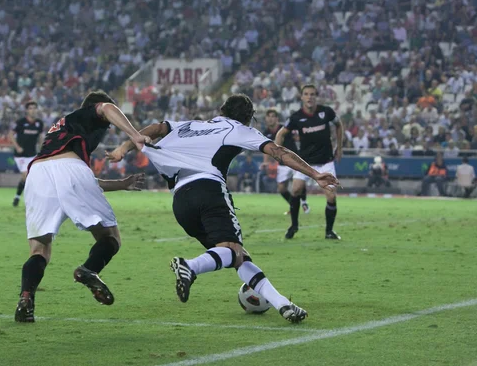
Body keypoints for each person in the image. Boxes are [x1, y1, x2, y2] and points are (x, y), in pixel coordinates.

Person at [108, 94, 339, 323]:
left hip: (180, 200)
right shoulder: (239, 129)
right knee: (231, 250)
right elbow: (279, 152)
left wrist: (124, 147)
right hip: (208, 190)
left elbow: (157, 129)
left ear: (221, 109)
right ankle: (190, 266)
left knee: (238, 256)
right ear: (249, 118)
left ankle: (283, 305)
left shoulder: (191, 125)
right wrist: (315, 174)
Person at [14, 90, 148, 323]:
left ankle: (26, 298)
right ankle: (89, 269)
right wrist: (135, 135)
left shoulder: (62, 129)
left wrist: (121, 184)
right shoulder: (89, 113)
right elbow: (106, 108)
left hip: (37, 174)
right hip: (67, 170)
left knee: (39, 249)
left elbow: (75, 180)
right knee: (110, 237)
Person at [276, 84, 343, 240]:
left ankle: (329, 231)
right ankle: (293, 225)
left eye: (312, 94)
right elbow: (281, 134)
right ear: (302, 97)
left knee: (331, 197)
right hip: (305, 163)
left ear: (316, 96)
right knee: (296, 190)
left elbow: (339, 125)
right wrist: (277, 153)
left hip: (326, 161)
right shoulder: (296, 117)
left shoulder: (326, 112)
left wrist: (339, 147)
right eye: (306, 94)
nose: (309, 97)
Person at [263, 109, 310, 215]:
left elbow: (297, 136)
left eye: (272, 116)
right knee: (281, 189)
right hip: (282, 163)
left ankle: (304, 202)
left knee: (298, 183)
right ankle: (293, 206)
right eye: (268, 116)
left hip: (294, 160)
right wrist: (265, 162)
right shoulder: (266, 132)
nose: (270, 118)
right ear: (266, 119)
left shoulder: (284, 129)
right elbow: (265, 149)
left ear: (277, 119)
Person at [10, 101, 45, 207]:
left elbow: (41, 137)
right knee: (26, 176)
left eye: (34, 108)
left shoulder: (39, 123)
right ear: (27, 110)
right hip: (20, 155)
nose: (33, 110)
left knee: (30, 177)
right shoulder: (21, 122)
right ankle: (31, 200)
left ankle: (17, 196)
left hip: (32, 154)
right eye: (30, 108)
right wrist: (17, 147)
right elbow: (10, 134)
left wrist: (42, 148)